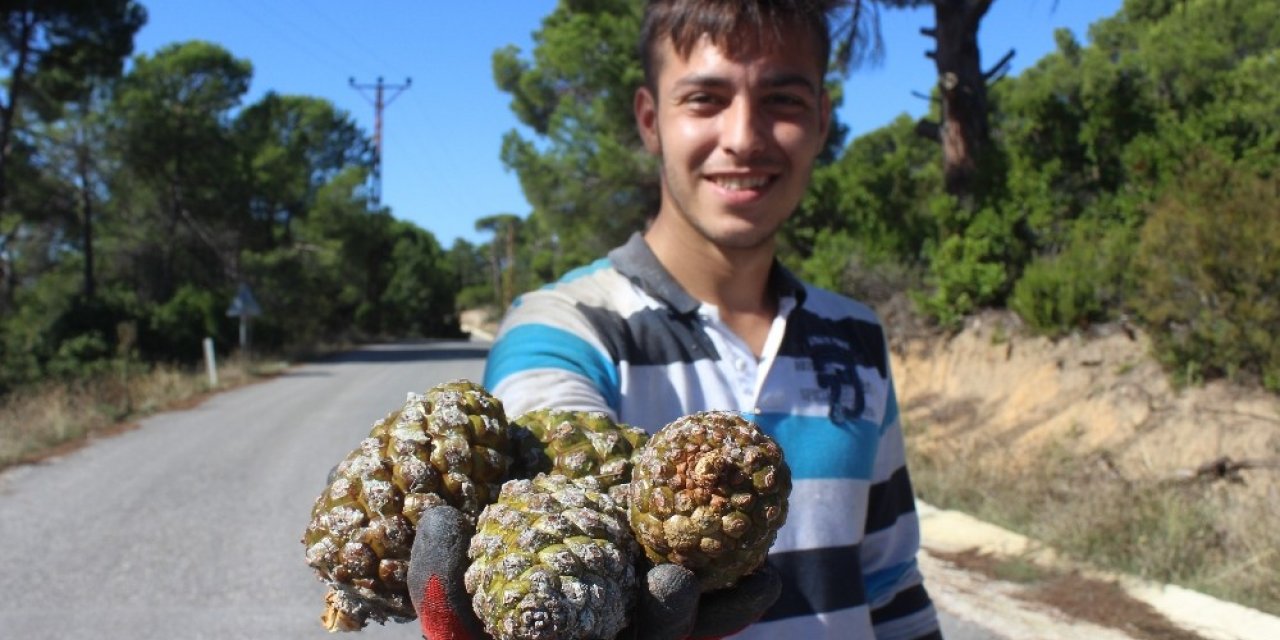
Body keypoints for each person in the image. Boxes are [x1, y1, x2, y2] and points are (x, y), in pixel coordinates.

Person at [408, 1, 942, 638]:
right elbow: (543, 446)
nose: (744, 136)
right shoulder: (562, 326)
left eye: (784, 100)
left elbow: (887, 580)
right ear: (650, 119)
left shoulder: (856, 336)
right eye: (706, 99)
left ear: (823, 120)